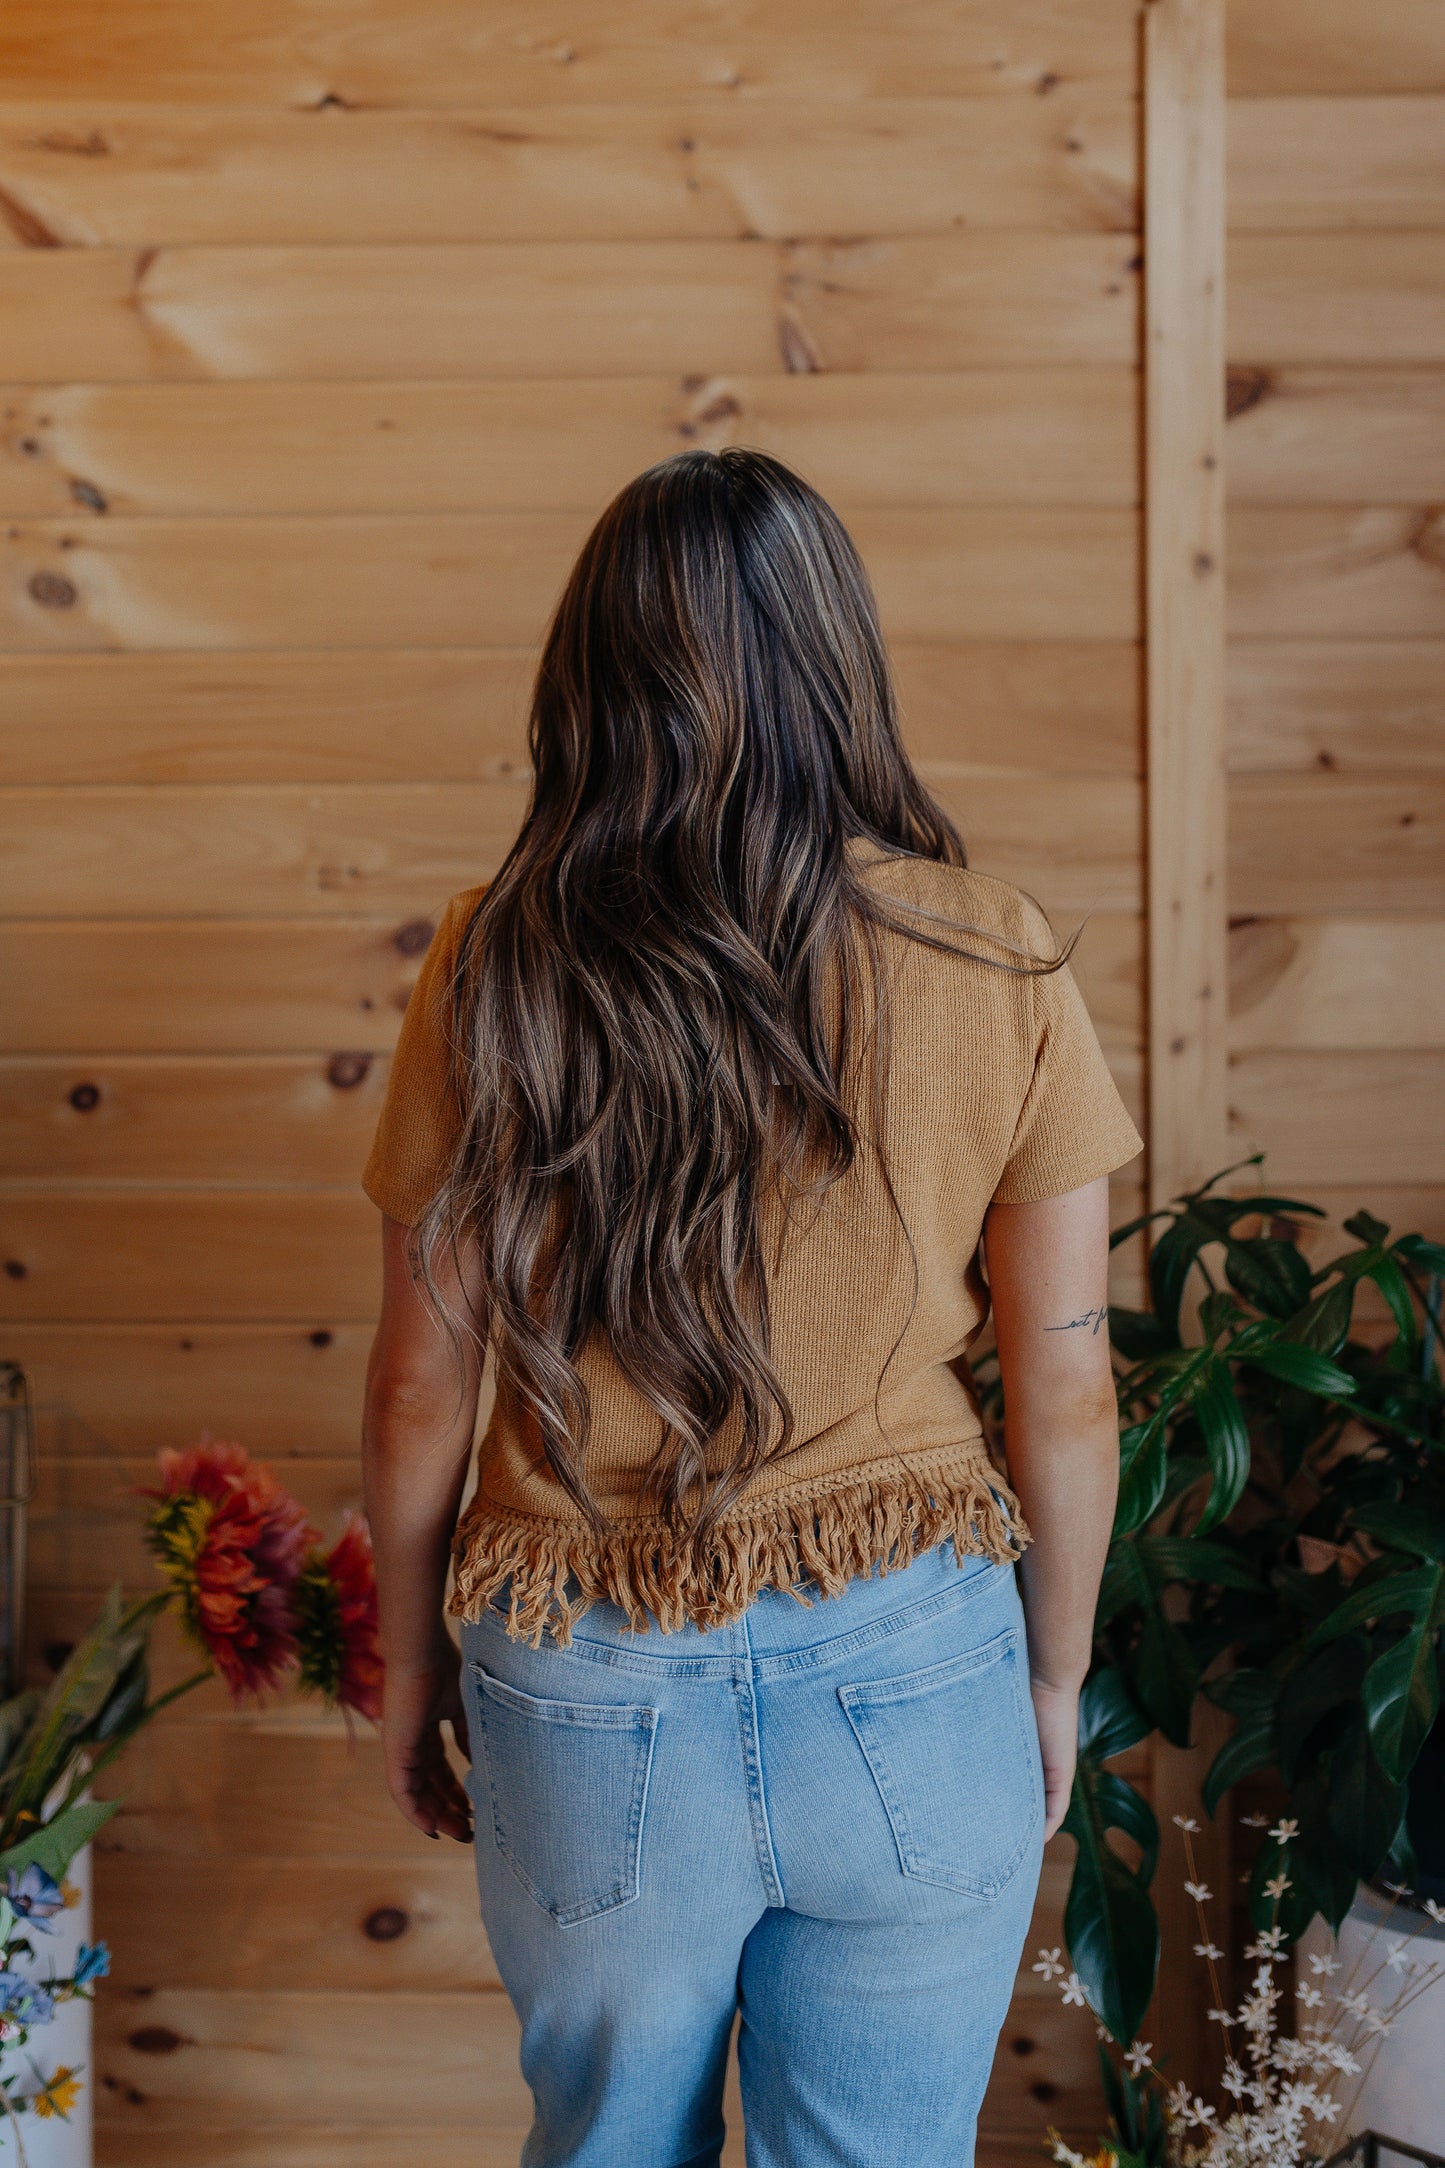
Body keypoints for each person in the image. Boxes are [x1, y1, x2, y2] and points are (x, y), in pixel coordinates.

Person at [360, 448, 1141, 2168]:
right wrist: (1050, 1678)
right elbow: (1065, 1389)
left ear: (591, 680)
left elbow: (422, 1384)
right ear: (834, 662)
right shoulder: (992, 952)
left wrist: (412, 1668)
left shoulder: (500, 961)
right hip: (914, 1657)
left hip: (582, 1677)